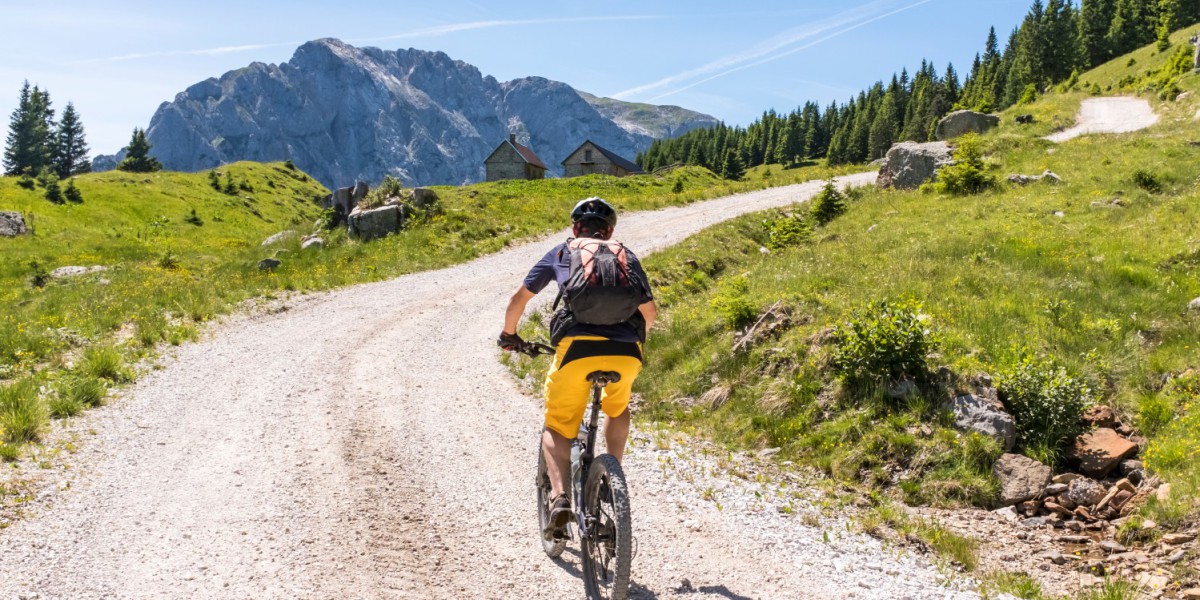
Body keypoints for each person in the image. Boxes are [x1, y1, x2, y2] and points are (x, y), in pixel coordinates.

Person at [499, 197, 656, 540]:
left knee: (556, 425)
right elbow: (650, 314)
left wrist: (509, 335)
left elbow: (519, 300)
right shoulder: (626, 255)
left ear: (574, 229)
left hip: (576, 352)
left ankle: (559, 500)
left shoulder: (561, 252)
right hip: (626, 352)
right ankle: (609, 479)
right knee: (618, 408)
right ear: (610, 230)